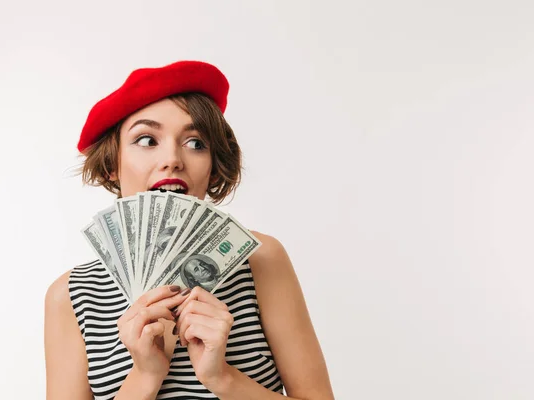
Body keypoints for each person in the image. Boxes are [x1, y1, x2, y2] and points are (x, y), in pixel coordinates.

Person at [44, 60, 334, 399]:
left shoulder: (261, 259)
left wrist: (221, 377)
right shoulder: (70, 296)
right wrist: (145, 374)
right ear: (112, 164)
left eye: (196, 142)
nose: (173, 159)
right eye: (147, 139)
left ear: (212, 168)